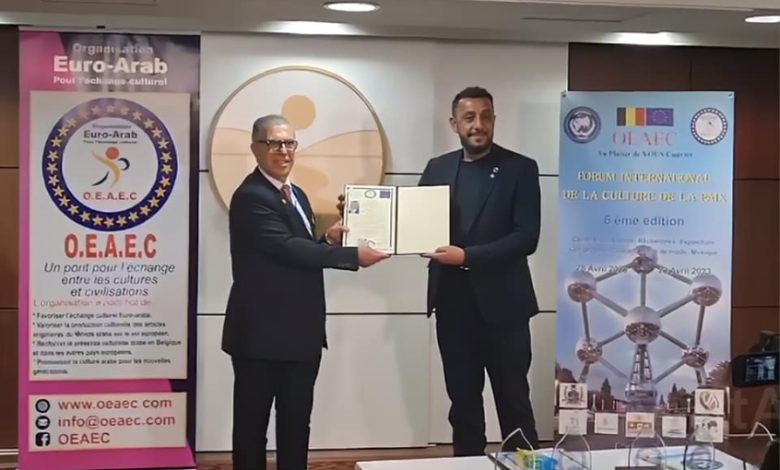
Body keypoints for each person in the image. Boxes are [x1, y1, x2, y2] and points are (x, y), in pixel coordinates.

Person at [222, 114, 389, 470]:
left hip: (301, 335)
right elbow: (285, 248)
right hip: (260, 337)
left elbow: (299, 249)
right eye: (273, 143)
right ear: (255, 148)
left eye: (289, 143)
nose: (283, 151)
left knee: (296, 425)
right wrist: (351, 256)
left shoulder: (295, 193)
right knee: (251, 428)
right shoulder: (251, 196)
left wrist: (327, 239)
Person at [419, 86, 541, 455]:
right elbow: (411, 221)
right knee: (463, 406)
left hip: (505, 311)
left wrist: (466, 256)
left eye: (486, 116)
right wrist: (362, 216)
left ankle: (524, 465)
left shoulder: (520, 168)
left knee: (514, 402)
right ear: (454, 123)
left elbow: (526, 238)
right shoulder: (437, 168)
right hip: (453, 308)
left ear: (494, 120)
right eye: (469, 117)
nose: (478, 125)